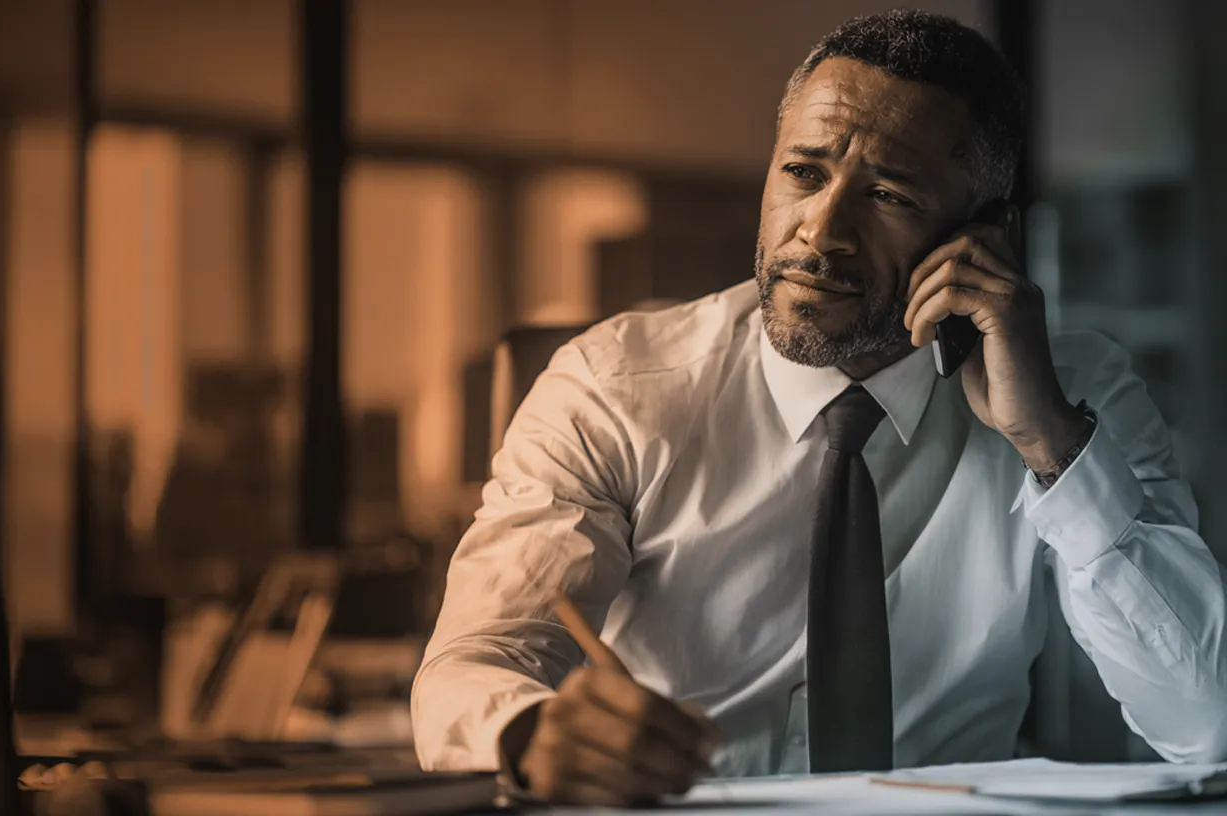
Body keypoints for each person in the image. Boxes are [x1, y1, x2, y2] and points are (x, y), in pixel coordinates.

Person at [410, 8, 1227, 807]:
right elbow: (476, 661)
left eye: (889, 196)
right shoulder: (613, 387)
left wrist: (1050, 443)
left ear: (984, 237)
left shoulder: (1073, 392)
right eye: (803, 172)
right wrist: (531, 733)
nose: (822, 231)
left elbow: (1208, 723)